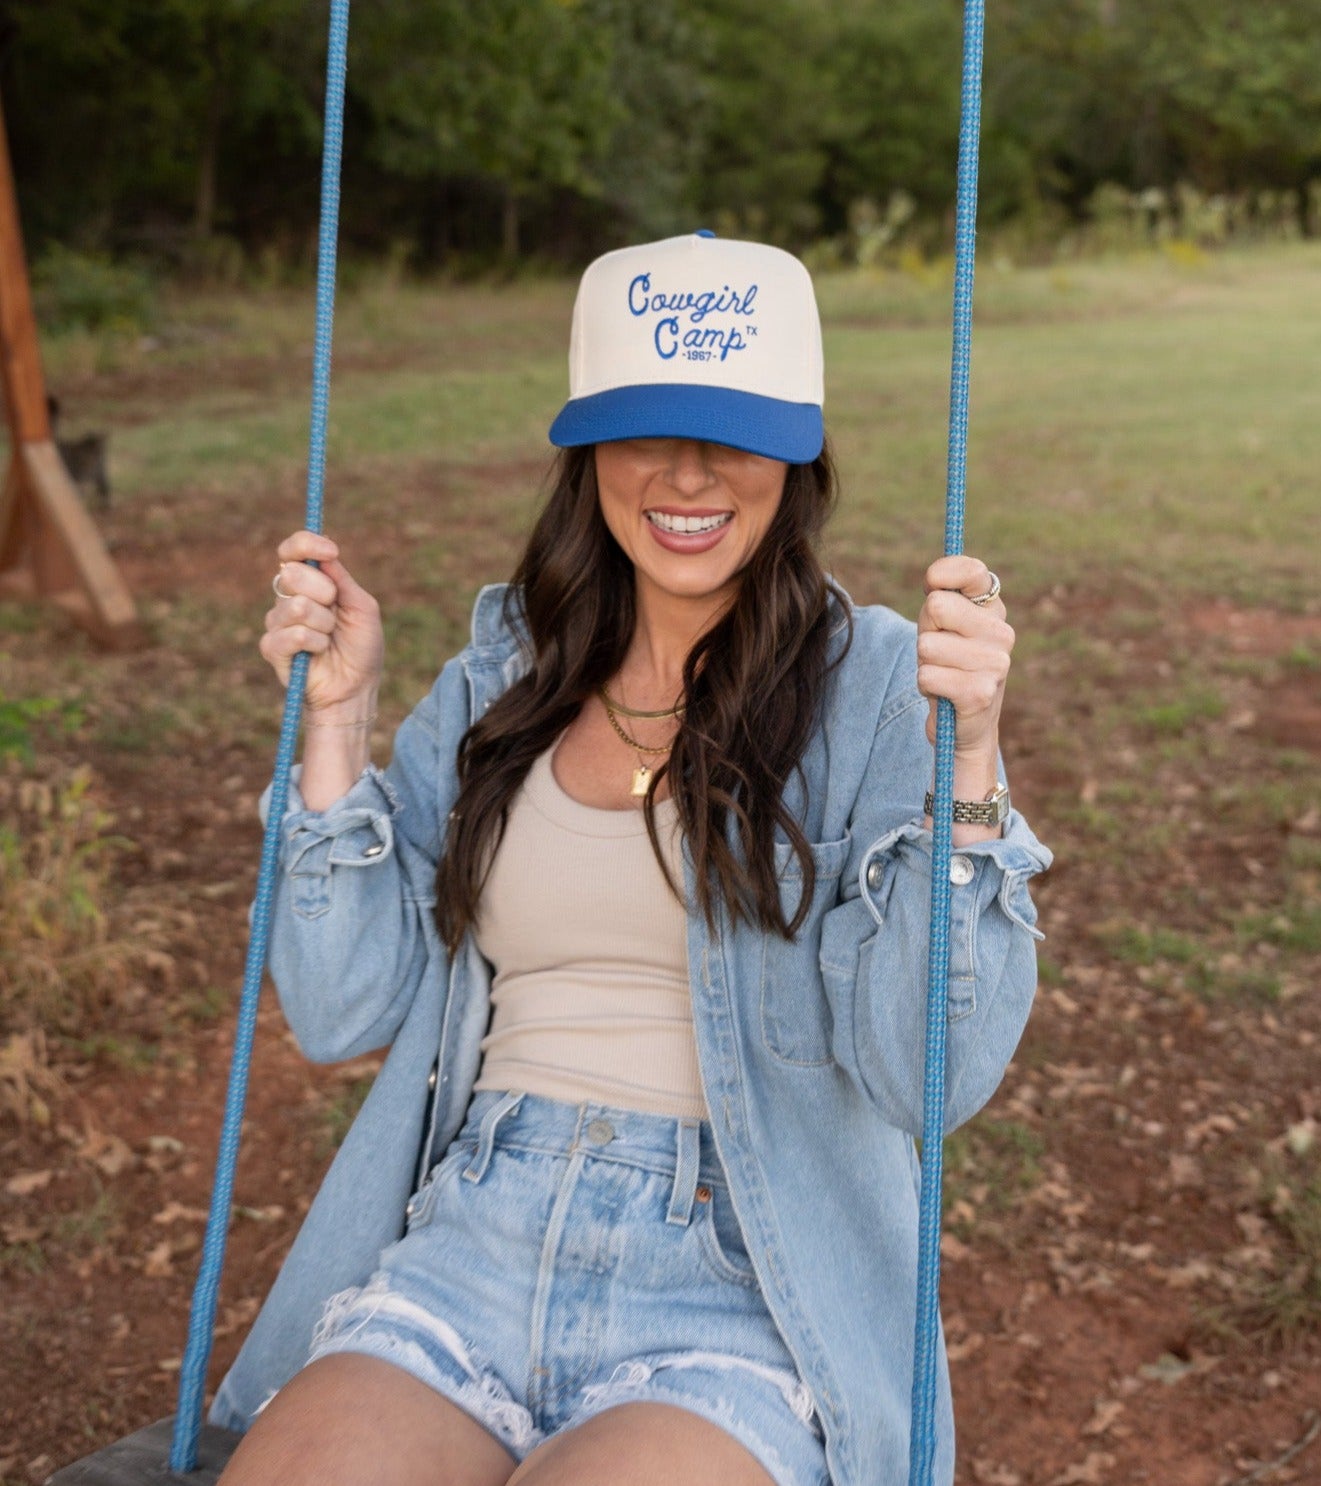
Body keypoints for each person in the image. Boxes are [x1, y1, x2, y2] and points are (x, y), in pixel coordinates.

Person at [215, 233, 1051, 1486]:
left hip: (737, 1290)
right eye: (643, 429)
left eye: (732, 432)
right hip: (468, 1244)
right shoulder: (504, 679)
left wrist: (971, 766)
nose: (687, 474)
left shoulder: (881, 687)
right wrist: (336, 720)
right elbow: (338, 1010)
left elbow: (922, 1076)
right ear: (587, 450)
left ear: (798, 450)